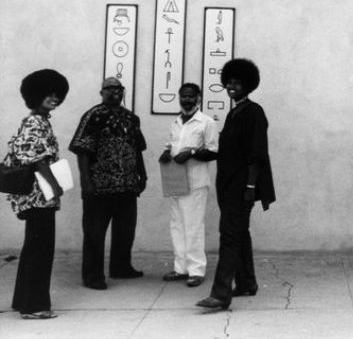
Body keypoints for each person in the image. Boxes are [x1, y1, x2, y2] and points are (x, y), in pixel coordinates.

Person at [197, 58, 275, 310]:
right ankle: (247, 283)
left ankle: (221, 294)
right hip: (229, 186)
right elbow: (229, 151)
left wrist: (251, 188)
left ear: (248, 86)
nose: (232, 87)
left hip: (242, 188)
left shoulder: (253, 112)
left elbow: (257, 155)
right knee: (239, 234)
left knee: (230, 237)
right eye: (229, 82)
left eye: (238, 83)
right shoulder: (234, 112)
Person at [69, 77, 147, 290]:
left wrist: (143, 175)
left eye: (119, 89)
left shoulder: (131, 118)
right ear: (101, 92)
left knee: (125, 230)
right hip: (99, 185)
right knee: (94, 233)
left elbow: (137, 149)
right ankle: (93, 275)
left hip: (127, 185)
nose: (115, 92)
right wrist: (86, 181)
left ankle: (121, 267)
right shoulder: (93, 116)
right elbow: (82, 150)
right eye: (109, 89)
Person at [4, 69, 69, 319]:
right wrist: (55, 189)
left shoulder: (37, 120)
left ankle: (24, 301)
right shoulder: (35, 123)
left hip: (34, 195)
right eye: (48, 94)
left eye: (57, 94)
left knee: (33, 247)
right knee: (41, 249)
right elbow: (39, 161)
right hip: (38, 195)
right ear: (35, 95)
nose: (54, 98)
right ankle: (34, 306)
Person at [159, 82, 218, 288]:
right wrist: (167, 153)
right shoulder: (176, 121)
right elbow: (172, 144)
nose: (187, 100)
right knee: (177, 224)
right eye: (183, 96)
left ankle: (196, 270)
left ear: (199, 98)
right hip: (176, 179)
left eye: (191, 96)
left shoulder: (206, 122)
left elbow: (213, 151)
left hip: (195, 181)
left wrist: (191, 153)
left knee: (193, 225)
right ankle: (180, 268)